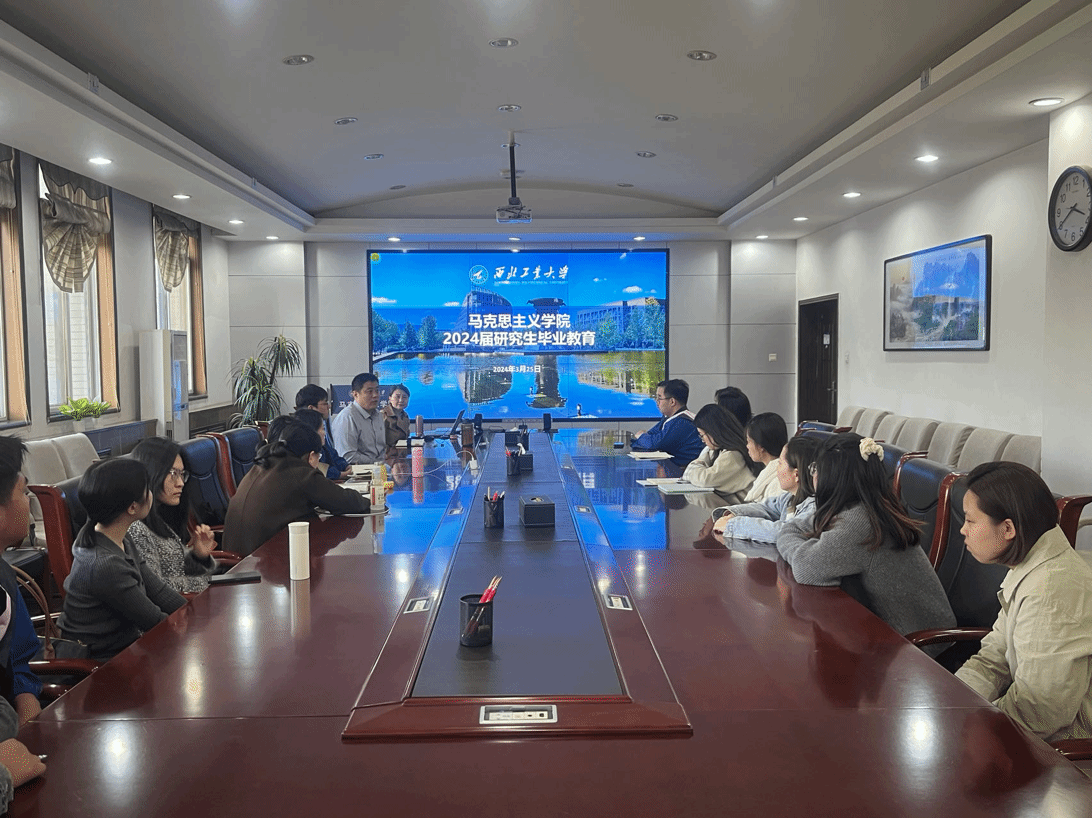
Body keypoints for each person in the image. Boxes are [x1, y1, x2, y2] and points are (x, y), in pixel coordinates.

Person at [954, 461, 1092, 742]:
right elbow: (994, 658)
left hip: (1065, 751)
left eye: (970, 521)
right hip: (1034, 732)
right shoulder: (1031, 563)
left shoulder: (1050, 590)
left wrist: (967, 727)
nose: (962, 530)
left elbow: (1040, 714)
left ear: (1008, 529)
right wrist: (951, 702)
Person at [776, 434, 955, 647]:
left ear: (834, 477)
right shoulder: (867, 504)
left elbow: (806, 568)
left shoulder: (860, 522)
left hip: (922, 647)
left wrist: (801, 549)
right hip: (890, 632)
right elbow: (791, 530)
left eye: (816, 469)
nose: (813, 475)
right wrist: (803, 548)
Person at [61, 459, 187, 661]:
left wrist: (193, 613)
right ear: (132, 507)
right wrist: (194, 627)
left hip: (127, 650)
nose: (151, 493)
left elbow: (158, 591)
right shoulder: (105, 564)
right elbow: (155, 621)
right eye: (147, 489)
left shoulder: (118, 538)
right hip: (104, 664)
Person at [221, 419, 370, 556]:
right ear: (311, 456)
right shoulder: (299, 472)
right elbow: (350, 502)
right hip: (262, 560)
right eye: (318, 457)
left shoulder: (263, 465)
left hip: (238, 560)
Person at [128, 437, 218, 594]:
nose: (180, 482)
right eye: (173, 473)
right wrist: (204, 583)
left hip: (188, 603)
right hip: (177, 607)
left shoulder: (161, 514)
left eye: (182, 474)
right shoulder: (136, 529)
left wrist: (199, 556)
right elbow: (156, 590)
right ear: (151, 473)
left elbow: (176, 570)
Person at [0, 438, 45, 724]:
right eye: (24, 492)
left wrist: (27, 701)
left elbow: (18, 661)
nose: (28, 501)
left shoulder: (5, 575)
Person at [712, 436, 819, 543]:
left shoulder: (813, 508)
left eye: (780, 463)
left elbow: (784, 532)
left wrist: (732, 525)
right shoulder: (789, 497)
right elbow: (765, 508)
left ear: (796, 475)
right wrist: (732, 514)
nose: (777, 469)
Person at [682, 404, 760, 502]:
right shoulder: (715, 450)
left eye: (702, 435)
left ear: (713, 432)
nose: (703, 440)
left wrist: (692, 471)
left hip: (744, 508)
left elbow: (706, 479)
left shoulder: (733, 455)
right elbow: (697, 466)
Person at [631, 379, 703, 466]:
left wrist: (641, 436)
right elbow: (650, 435)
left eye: (659, 398)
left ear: (672, 402)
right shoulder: (669, 418)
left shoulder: (682, 422)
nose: (657, 402)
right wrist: (644, 438)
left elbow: (653, 444)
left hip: (684, 469)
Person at [295, 384, 351, 480]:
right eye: (325, 403)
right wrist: (340, 474)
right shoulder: (302, 434)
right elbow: (319, 466)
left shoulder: (322, 424)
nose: (329, 406)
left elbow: (331, 454)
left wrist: (345, 465)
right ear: (311, 408)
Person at [331, 373, 386, 464]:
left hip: (379, 467)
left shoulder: (378, 415)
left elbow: (381, 449)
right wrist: (376, 463)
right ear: (355, 394)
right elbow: (347, 457)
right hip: (358, 471)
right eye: (369, 391)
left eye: (377, 390)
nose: (375, 395)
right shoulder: (347, 418)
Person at [742, 412, 789, 502]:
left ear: (760, 446)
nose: (747, 446)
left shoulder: (777, 483)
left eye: (749, 441)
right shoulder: (770, 472)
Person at [382, 383, 411, 448]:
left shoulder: (404, 415)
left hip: (402, 452)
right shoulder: (383, 415)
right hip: (387, 453)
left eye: (404, 397)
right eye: (397, 397)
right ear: (390, 398)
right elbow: (377, 443)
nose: (401, 400)